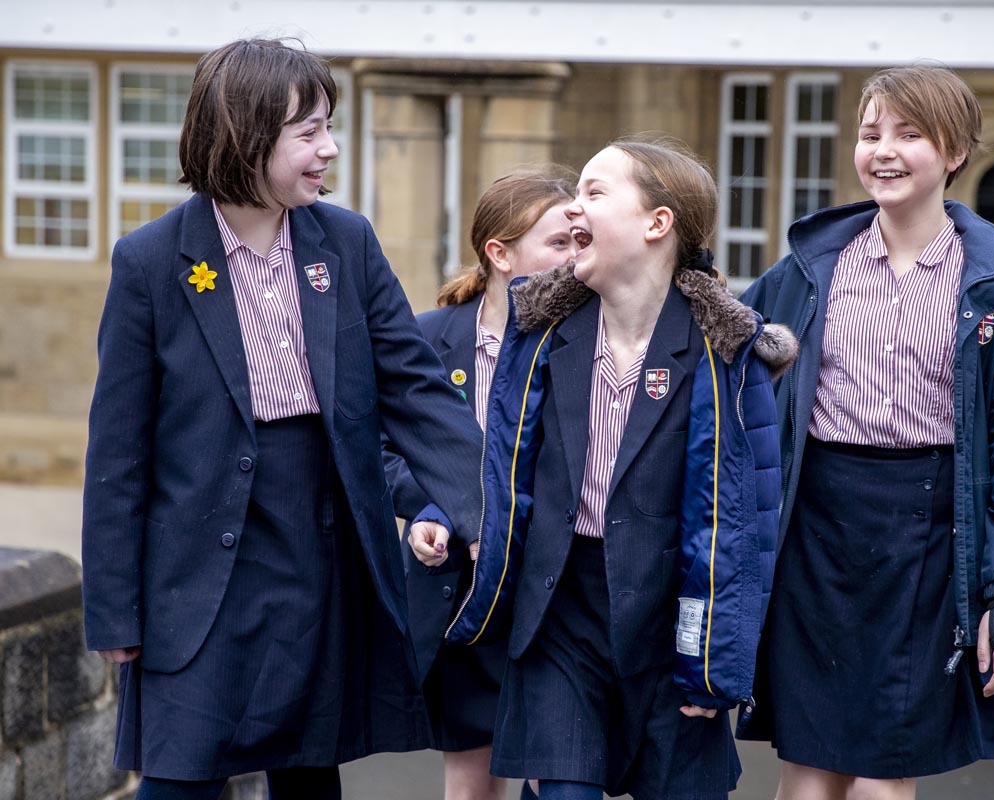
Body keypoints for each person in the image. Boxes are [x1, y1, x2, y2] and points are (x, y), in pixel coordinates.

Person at [81, 38, 485, 800]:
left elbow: (417, 391)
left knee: (308, 771)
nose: (328, 149)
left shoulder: (347, 241)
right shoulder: (151, 262)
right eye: (308, 132)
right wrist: (114, 610)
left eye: (329, 126)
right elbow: (118, 454)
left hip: (320, 548)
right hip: (197, 570)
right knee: (179, 778)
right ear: (244, 132)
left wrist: (485, 511)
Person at [410, 135, 798, 800]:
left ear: (657, 224)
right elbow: (499, 466)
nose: (572, 211)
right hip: (560, 610)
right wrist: (450, 520)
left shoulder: (725, 354)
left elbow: (744, 521)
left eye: (595, 192)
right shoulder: (539, 335)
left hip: (673, 616)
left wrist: (715, 662)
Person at [739, 64, 994, 799]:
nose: (882, 149)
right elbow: (726, 349)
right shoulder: (811, 268)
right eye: (870, 132)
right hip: (815, 533)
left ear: (955, 152)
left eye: (908, 133)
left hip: (929, 537)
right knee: (808, 769)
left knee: (886, 777)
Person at [384, 165, 578, 800]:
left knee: (564, 777)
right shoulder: (427, 338)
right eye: (558, 242)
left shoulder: (587, 338)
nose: (575, 256)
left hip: (554, 594)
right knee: (471, 783)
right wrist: (431, 512)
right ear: (499, 253)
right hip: (458, 598)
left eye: (581, 240)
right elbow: (384, 453)